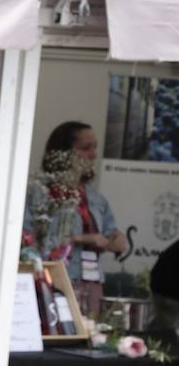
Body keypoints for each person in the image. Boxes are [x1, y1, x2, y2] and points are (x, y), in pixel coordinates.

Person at [23, 121, 125, 318]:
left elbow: (109, 231)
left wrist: (117, 239)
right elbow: (29, 244)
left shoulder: (95, 197)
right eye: (86, 148)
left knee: (90, 336)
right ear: (63, 152)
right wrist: (81, 239)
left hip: (92, 283)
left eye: (95, 147)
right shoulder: (39, 192)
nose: (94, 154)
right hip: (57, 280)